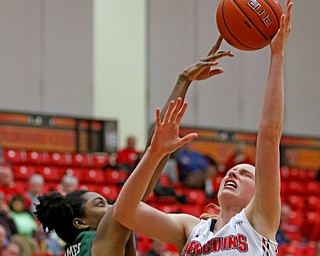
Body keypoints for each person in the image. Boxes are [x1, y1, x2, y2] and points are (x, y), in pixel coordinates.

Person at [113, 1, 293, 255]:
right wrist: (154, 154)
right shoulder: (191, 228)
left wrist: (277, 56)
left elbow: (269, 136)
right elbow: (124, 212)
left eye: (245, 174)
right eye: (233, 171)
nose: (233, 174)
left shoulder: (259, 221)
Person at [34, 32, 233, 255]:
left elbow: (140, 183)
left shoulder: (78, 247)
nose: (111, 208)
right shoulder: (98, 240)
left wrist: (158, 151)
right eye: (100, 205)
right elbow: (135, 191)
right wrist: (183, 80)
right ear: (81, 222)